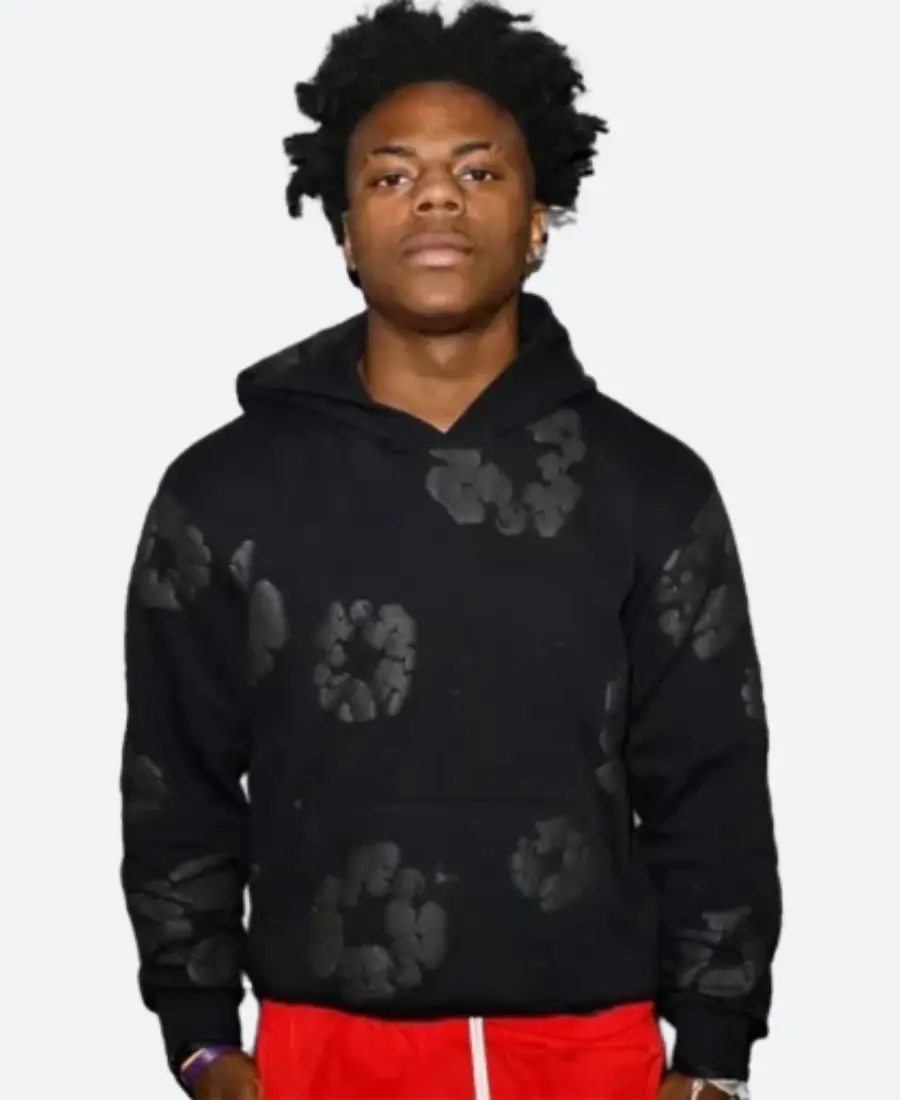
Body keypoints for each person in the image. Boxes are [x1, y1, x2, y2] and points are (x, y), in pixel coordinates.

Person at [119, 1, 781, 1097]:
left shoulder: (652, 486)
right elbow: (174, 779)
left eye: (478, 171)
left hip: (592, 1052)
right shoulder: (222, 491)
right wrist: (199, 1039)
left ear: (537, 220)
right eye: (392, 175)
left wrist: (713, 1056)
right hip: (319, 1050)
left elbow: (712, 783)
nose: (436, 196)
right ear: (344, 230)